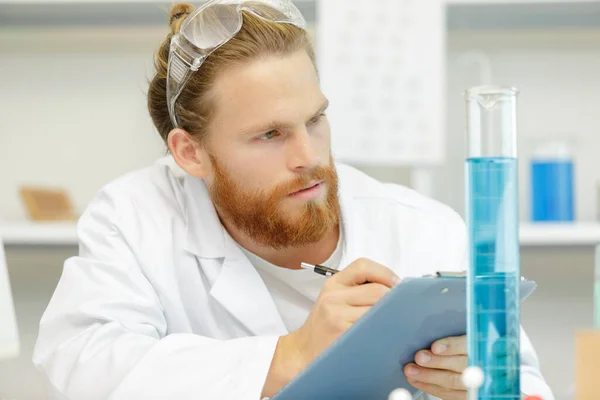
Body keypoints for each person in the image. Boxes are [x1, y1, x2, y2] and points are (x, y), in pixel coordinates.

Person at [33, 1, 554, 400]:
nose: (309, 156)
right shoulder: (135, 217)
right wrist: (291, 354)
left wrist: (481, 384)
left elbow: (526, 383)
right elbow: (84, 360)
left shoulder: (423, 229)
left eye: (315, 120)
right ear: (189, 152)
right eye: (269, 135)